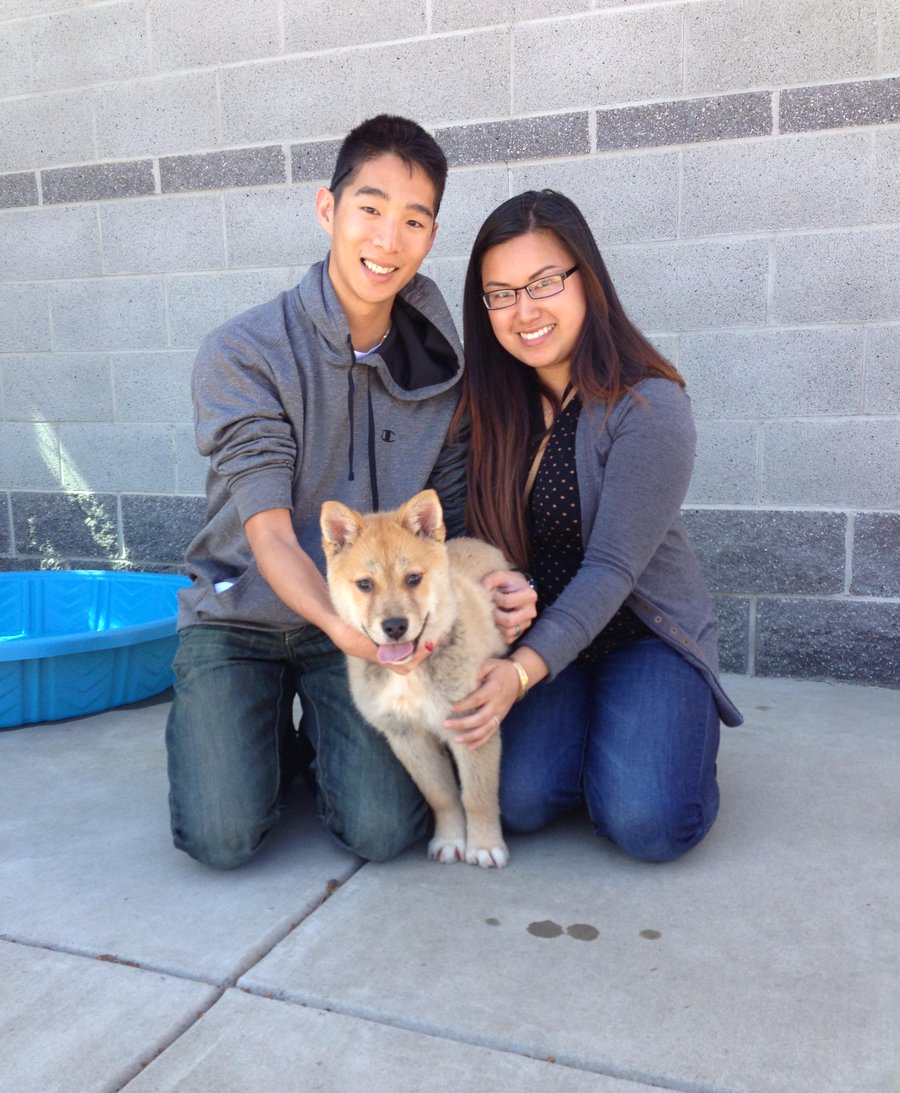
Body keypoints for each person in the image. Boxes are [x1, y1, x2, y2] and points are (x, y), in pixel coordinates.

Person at [165, 115, 536, 869]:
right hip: (245, 615)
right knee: (222, 837)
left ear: (431, 236)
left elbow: (454, 522)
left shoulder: (445, 369)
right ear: (328, 210)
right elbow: (269, 533)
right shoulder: (243, 352)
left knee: (382, 831)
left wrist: (502, 584)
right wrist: (348, 635)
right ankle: (250, 722)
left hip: (379, 622)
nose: (388, 239)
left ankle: (316, 736)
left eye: (414, 219)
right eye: (370, 208)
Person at [444, 189, 743, 864]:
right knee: (518, 802)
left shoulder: (648, 405)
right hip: (546, 637)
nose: (524, 311)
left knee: (649, 823)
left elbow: (610, 569)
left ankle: (663, 733)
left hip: (644, 634)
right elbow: (467, 533)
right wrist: (493, 586)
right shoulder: (490, 407)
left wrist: (518, 677)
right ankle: (599, 735)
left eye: (544, 282)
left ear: (587, 278)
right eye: (500, 294)